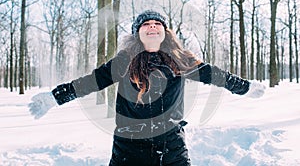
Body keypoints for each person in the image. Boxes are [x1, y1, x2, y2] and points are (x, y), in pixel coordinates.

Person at [29, 10, 266, 166]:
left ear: (165, 32)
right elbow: (91, 82)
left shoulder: (179, 60)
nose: (152, 27)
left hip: (171, 144)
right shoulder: (124, 60)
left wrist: (244, 87)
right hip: (128, 146)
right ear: (137, 33)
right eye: (146, 24)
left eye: (157, 24)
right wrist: (53, 98)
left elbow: (214, 75)